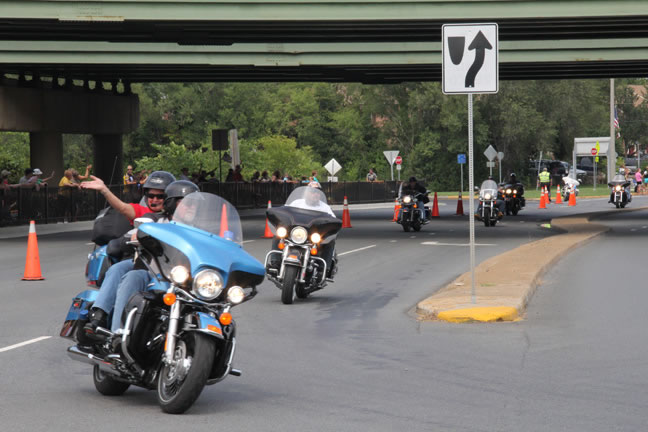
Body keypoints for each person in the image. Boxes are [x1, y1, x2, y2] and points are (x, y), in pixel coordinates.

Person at [84, 179, 198, 338]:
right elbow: (136, 220)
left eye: (194, 203)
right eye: (186, 202)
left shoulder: (202, 228)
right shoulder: (156, 219)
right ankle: (116, 332)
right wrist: (139, 233)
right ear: (172, 203)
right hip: (155, 271)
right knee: (130, 274)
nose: (192, 207)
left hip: (189, 277)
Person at [80, 170, 176, 223]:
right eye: (151, 195)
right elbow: (122, 208)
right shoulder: (141, 211)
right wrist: (104, 190)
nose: (155, 199)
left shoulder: (177, 214)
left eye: (160, 196)